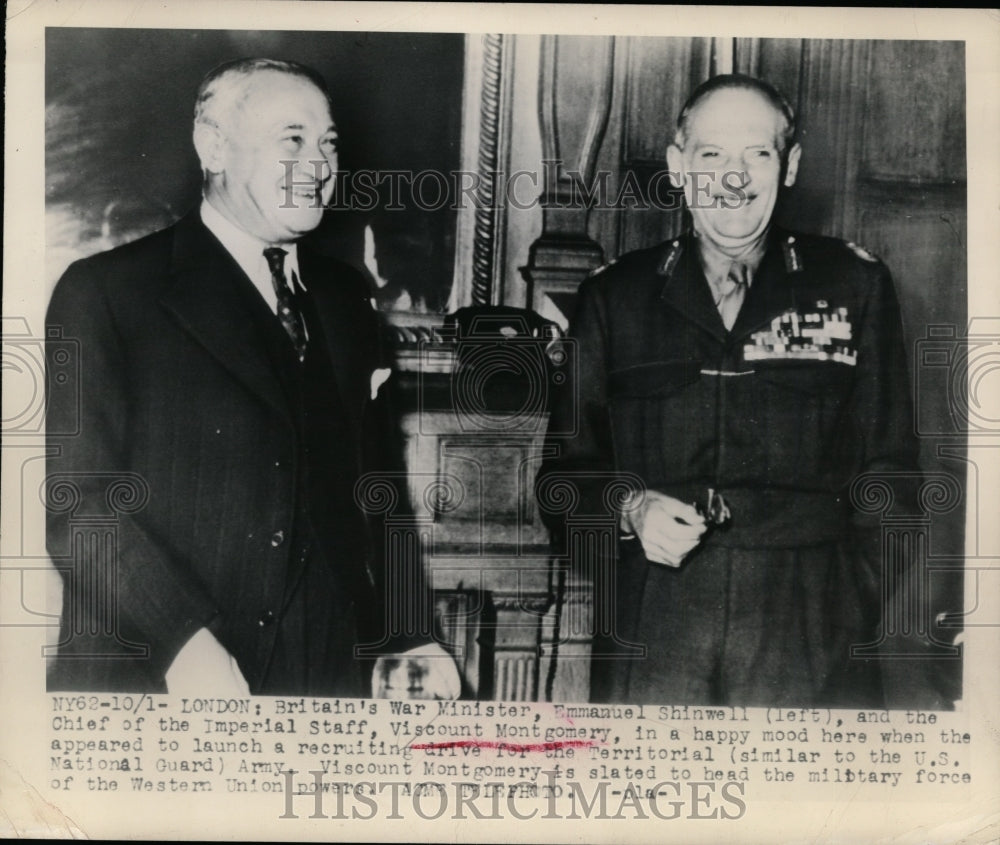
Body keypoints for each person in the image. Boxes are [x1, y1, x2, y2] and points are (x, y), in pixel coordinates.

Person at [45, 58, 459, 698]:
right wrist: (185, 645)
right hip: (156, 676)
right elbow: (81, 510)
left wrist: (410, 634)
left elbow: (374, 489)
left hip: (319, 677)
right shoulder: (106, 293)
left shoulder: (346, 298)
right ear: (214, 147)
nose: (320, 166)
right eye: (293, 140)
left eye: (329, 144)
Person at [538, 74, 919, 707]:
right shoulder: (616, 298)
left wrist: (849, 605)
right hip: (653, 630)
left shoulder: (854, 286)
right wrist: (629, 510)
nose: (734, 178)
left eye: (758, 154)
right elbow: (562, 483)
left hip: (809, 631)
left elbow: (893, 479)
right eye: (713, 155)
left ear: (789, 166)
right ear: (678, 167)